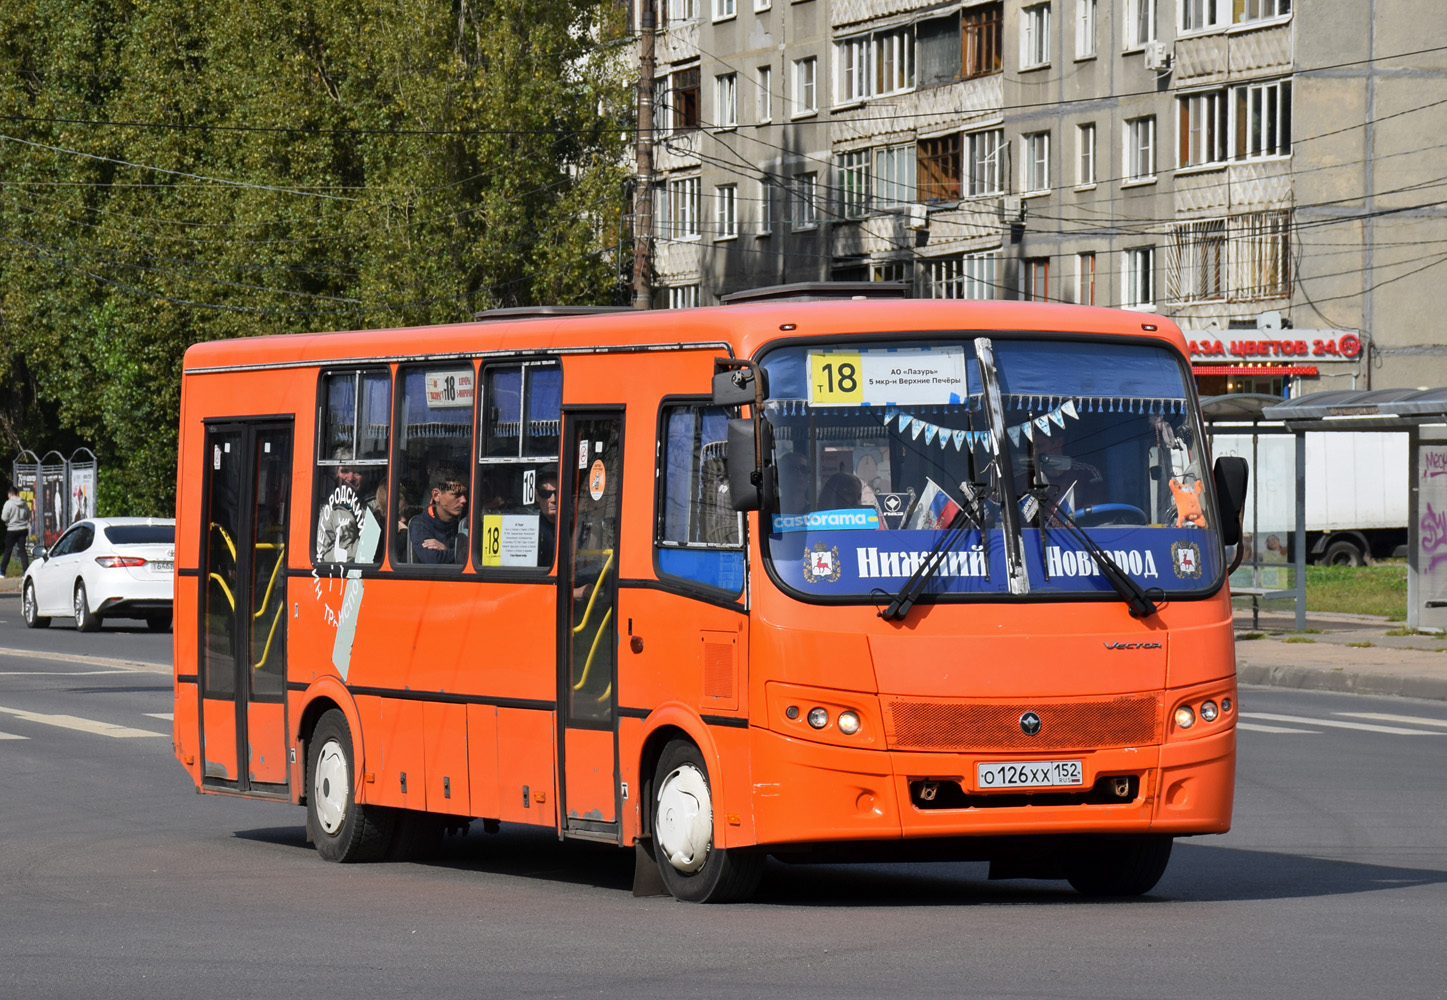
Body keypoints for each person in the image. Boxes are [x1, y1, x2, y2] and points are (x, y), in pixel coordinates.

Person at [409, 467, 469, 564]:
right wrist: (459, 552)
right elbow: (433, 559)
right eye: (457, 495)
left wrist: (446, 550)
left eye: (464, 494)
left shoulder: (466, 520)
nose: (463, 500)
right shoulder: (420, 525)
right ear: (436, 495)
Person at [316, 452, 366, 562]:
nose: (351, 477)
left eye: (357, 472)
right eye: (345, 471)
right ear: (335, 475)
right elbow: (325, 554)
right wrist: (365, 548)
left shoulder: (372, 505)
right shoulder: (328, 510)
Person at [2, 486, 31, 577]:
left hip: (12, 529)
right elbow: (28, 515)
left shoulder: (8, 503)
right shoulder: (24, 503)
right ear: (17, 494)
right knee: (22, 551)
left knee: (8, 551)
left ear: (9, 494)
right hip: (22, 529)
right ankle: (26, 571)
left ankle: (2, 571)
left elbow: (4, 517)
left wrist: (9, 522)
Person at [537, 468, 560, 569]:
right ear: (536, 496)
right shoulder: (533, 529)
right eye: (545, 493)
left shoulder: (572, 526)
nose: (553, 499)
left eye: (557, 493)